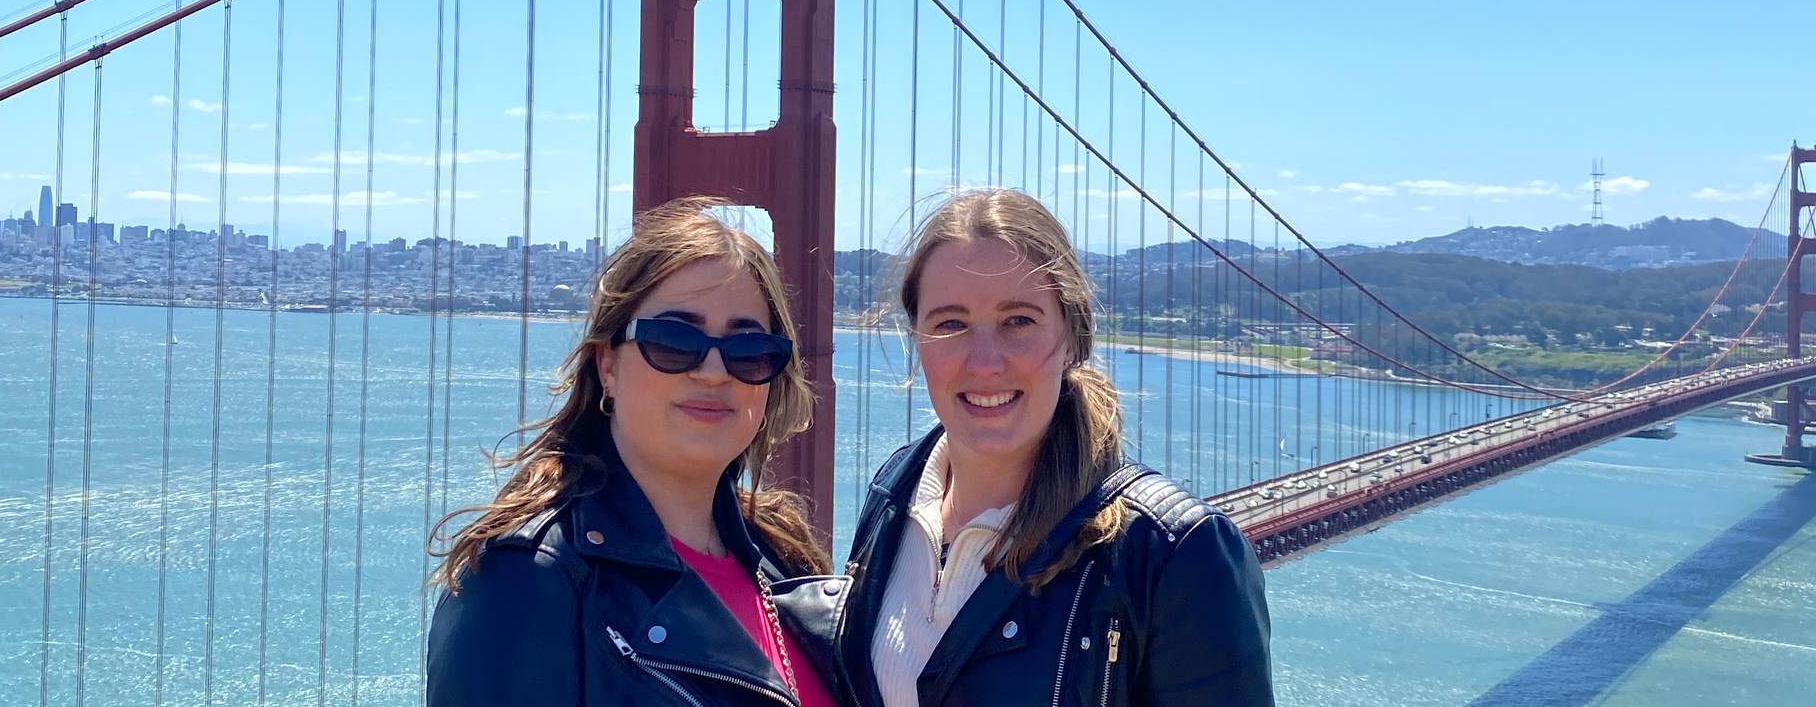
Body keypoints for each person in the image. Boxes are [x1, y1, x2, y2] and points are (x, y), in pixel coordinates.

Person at [836, 189, 1273, 706]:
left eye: (1018, 321)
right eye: (951, 324)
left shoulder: (1176, 555)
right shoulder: (894, 493)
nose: (985, 362)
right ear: (918, 338)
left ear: (1072, 336)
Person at [427, 198, 845, 706]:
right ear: (607, 365)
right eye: (672, 342)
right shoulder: (527, 580)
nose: (714, 372)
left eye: (748, 351)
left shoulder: (786, 561)